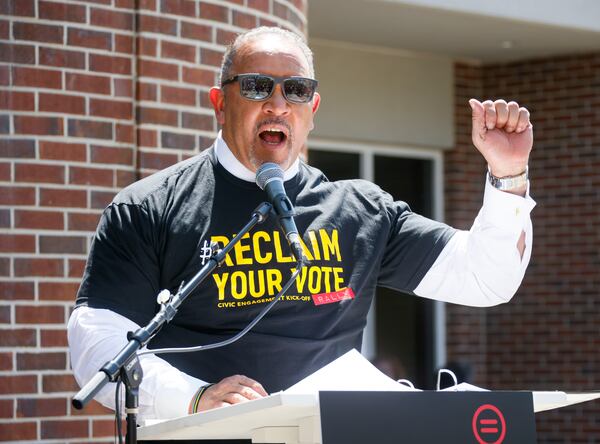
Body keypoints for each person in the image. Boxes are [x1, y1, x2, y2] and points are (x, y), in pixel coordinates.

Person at [68, 26, 535, 421]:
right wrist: (195, 398)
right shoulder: (149, 207)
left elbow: (485, 279)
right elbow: (99, 345)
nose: (277, 104)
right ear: (219, 102)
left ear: (312, 110)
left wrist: (509, 176)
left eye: (296, 90)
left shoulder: (359, 209)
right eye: (255, 86)